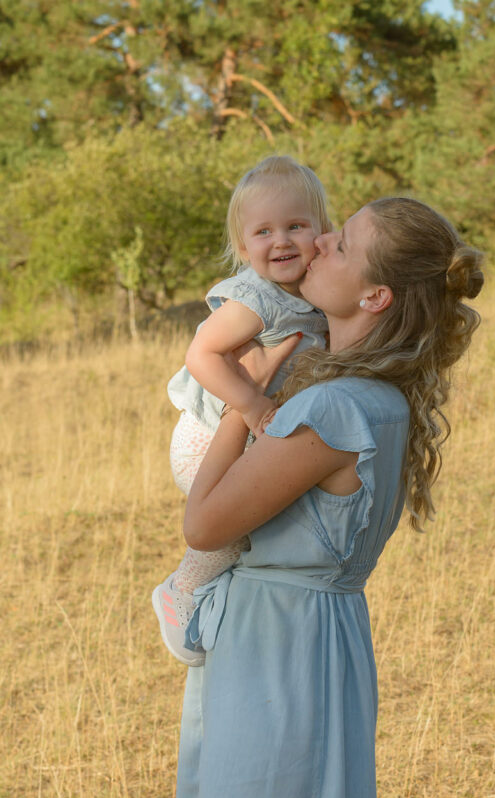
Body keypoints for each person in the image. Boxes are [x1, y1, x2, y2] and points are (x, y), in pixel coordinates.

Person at [174, 196, 484, 798]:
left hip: (282, 664)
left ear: (373, 295)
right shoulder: (370, 397)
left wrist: (251, 400)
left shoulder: (334, 406)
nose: (315, 242)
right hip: (297, 647)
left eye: (341, 242)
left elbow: (202, 521)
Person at [152, 156, 331, 666]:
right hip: (206, 438)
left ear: (322, 230)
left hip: (239, 442)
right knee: (238, 524)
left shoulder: (309, 298)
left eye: (296, 226)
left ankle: (212, 596)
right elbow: (201, 354)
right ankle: (180, 593)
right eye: (263, 232)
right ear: (242, 246)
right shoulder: (257, 299)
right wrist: (251, 405)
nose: (281, 241)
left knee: (256, 525)